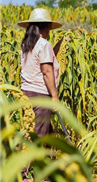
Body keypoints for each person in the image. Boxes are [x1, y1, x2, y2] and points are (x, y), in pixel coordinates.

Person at [19, 8, 67, 137]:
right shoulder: (44, 44)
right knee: (39, 137)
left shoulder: (26, 44)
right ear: (48, 27)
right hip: (40, 96)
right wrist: (55, 96)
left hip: (26, 94)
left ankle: (49, 156)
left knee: (43, 134)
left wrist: (60, 44)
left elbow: (46, 59)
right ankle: (35, 157)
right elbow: (46, 70)